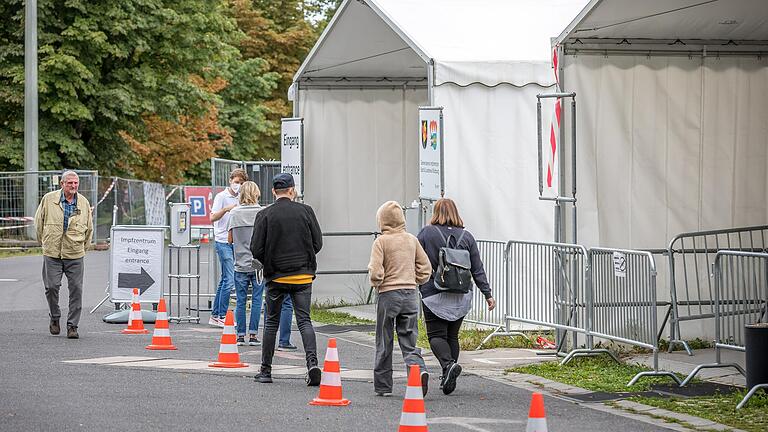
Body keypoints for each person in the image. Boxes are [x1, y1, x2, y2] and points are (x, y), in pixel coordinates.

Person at [417, 198, 496, 395]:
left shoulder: (427, 233)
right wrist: (488, 294)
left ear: (435, 212)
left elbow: (415, 257)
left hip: (434, 293)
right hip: (462, 295)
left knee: (436, 335)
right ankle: (448, 372)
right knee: (452, 336)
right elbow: (477, 268)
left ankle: (448, 365)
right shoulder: (467, 237)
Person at [250, 173, 323, 385]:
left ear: (273, 191)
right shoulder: (306, 211)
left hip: (276, 277)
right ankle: (312, 364)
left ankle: (265, 371)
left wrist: (270, 261)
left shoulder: (265, 214)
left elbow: (256, 248)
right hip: (302, 275)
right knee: (304, 320)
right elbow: (318, 243)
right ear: (292, 190)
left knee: (271, 322)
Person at [368, 201, 432, 397]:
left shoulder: (381, 242)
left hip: (388, 294)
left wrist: (377, 282)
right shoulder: (412, 240)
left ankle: (383, 386)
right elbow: (425, 267)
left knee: (384, 339)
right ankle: (418, 370)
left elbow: (376, 270)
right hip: (410, 293)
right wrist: (415, 280)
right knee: (408, 338)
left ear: (382, 221)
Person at [227, 181, 296, 347]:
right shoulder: (263, 212)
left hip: (240, 264)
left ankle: (240, 335)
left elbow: (230, 239)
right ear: (256, 193)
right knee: (257, 300)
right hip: (258, 265)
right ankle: (253, 335)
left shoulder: (234, 213)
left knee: (241, 301)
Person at [34, 170, 93, 339]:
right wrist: (44, 243)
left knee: (76, 290)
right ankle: (55, 317)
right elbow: (39, 222)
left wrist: (82, 248)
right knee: (51, 287)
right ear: (62, 184)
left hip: (75, 253)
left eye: (76, 183)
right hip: (52, 252)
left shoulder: (83, 202)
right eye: (70, 183)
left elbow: (89, 229)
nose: (73, 186)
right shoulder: (49, 199)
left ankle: (72, 326)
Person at [209, 168, 247, 327]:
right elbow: (212, 217)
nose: (238, 185)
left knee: (225, 278)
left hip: (235, 241)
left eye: (241, 183)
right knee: (229, 279)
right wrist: (225, 209)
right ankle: (222, 314)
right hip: (222, 240)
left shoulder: (242, 197)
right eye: (236, 182)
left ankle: (216, 314)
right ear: (231, 181)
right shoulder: (221, 197)